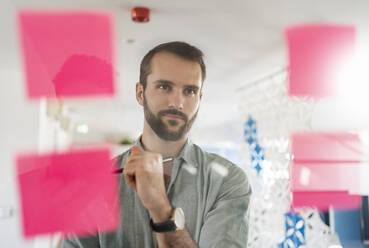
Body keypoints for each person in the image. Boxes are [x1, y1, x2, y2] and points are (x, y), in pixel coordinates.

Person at [62, 41, 252, 248]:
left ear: (200, 98)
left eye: (189, 91)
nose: (177, 102)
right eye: (164, 87)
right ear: (140, 93)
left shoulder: (227, 182)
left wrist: (161, 209)